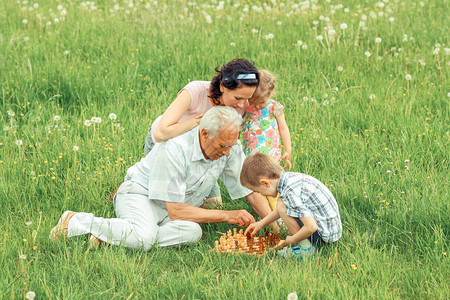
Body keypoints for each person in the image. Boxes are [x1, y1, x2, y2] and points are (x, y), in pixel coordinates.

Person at [50, 107, 266, 250]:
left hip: (173, 208)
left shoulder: (231, 145)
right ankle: (76, 220)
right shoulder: (174, 149)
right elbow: (176, 210)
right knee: (144, 239)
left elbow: (248, 188)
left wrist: (274, 224)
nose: (228, 153)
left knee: (193, 232)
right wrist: (227, 215)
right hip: (140, 195)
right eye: (223, 146)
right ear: (204, 134)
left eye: (232, 145)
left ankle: (113, 237)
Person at [143, 58, 260, 207]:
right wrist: (198, 122)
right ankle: (130, 191)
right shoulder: (195, 91)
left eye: (247, 98)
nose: (242, 105)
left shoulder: (242, 103)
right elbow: (161, 133)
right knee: (168, 203)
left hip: (202, 154)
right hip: (165, 148)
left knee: (213, 207)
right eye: (238, 98)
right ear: (223, 86)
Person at [241, 152, 342, 260]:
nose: (261, 195)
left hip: (323, 235)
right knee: (282, 205)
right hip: (330, 230)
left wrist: (293, 239)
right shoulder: (289, 179)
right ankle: (304, 244)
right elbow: (281, 210)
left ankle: (305, 249)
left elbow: (311, 227)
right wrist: (261, 223)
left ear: (266, 183)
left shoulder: (289, 193)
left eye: (258, 191)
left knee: (282, 205)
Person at [242, 70, 292, 212]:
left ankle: (281, 210)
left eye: (261, 102)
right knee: (256, 183)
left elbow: (283, 128)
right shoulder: (246, 106)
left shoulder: (274, 107)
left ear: (270, 94)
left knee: (271, 182)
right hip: (252, 154)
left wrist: (288, 150)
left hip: (270, 154)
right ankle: (264, 210)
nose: (257, 106)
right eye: (253, 102)